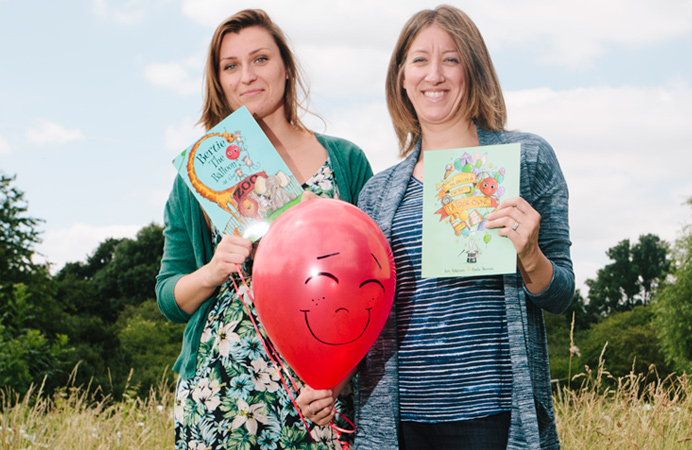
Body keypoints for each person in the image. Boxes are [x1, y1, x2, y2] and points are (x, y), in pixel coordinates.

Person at [354, 5, 574, 450]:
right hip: (398, 420)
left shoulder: (527, 159)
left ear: (473, 69)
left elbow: (561, 294)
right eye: (419, 60)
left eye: (451, 59)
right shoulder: (377, 193)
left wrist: (531, 257)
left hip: (492, 416)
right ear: (401, 75)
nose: (434, 74)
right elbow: (366, 315)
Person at [155, 9, 373, 450]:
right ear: (219, 81)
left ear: (286, 68)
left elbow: (377, 278)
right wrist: (214, 269)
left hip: (318, 393)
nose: (247, 76)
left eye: (260, 59)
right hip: (221, 393)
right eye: (230, 66)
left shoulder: (346, 161)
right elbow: (169, 296)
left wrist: (339, 382)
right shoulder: (201, 175)